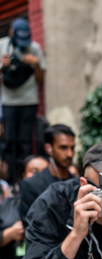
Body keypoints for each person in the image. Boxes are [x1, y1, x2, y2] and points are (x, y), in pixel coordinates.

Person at [0, 19, 46, 184]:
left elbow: (41, 79)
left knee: (26, 143)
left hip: (29, 101)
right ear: (11, 32)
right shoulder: (2, 46)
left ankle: (25, 182)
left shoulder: (34, 48)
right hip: (8, 102)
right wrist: (2, 66)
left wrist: (36, 64)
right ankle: (11, 182)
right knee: (10, 143)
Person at [0, 156, 48, 259]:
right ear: (23, 175)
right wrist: (9, 234)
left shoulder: (59, 206)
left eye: (44, 172)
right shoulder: (7, 205)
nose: (39, 177)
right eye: (34, 171)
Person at [19, 123, 76, 226]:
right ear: (48, 148)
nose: (69, 154)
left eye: (72, 148)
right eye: (63, 148)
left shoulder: (76, 183)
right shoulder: (32, 185)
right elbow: (30, 226)